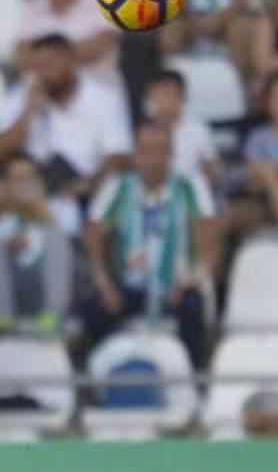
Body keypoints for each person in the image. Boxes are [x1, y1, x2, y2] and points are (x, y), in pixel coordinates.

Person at [82, 124, 219, 367]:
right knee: (95, 307)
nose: (153, 160)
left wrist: (191, 279)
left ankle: (192, 375)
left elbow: (210, 246)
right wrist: (104, 283)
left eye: (160, 151)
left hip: (177, 286)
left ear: (171, 154)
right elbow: (94, 234)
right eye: (146, 151)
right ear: (135, 154)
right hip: (129, 285)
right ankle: (107, 372)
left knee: (191, 306)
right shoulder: (117, 187)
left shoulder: (190, 186)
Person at [0, 34, 132, 200]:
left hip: (86, 187)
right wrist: (28, 113)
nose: (43, 74)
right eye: (37, 68)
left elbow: (118, 156)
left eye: (49, 65)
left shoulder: (103, 97)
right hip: (35, 186)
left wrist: (88, 185)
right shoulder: (24, 96)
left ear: (71, 61)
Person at [0, 152, 74, 333]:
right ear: (6, 186)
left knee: (54, 237)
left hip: (62, 293)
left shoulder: (62, 207)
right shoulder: (4, 222)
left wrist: (40, 212)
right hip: (19, 295)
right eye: (18, 180)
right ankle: (2, 313)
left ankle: (54, 314)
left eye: (30, 178)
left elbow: (71, 249)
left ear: (41, 182)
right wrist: (11, 244)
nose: (25, 185)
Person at [16, 0, 123, 92]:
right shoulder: (33, 6)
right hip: (40, 93)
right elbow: (21, 55)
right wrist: (65, 56)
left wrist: (44, 59)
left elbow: (99, 46)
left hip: (94, 91)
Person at [144, 70, 219, 184]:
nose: (162, 100)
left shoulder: (198, 131)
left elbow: (210, 172)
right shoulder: (144, 133)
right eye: (156, 95)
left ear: (182, 97)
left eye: (167, 94)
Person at [245, 74, 278, 223]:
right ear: (268, 102)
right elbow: (253, 177)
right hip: (267, 200)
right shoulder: (258, 137)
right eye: (276, 99)